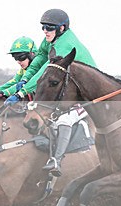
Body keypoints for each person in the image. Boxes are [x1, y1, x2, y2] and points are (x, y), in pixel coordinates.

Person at [14, 9, 96, 175]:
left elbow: (46, 72)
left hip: (88, 94)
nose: (45, 31)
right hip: (70, 89)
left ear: (61, 28)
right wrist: (25, 79)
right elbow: (39, 59)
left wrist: (23, 91)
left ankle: (56, 161)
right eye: (43, 27)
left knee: (64, 119)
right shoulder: (51, 39)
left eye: (49, 28)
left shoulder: (65, 45)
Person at [0, 37, 37, 103]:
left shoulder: (39, 67)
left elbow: (25, 86)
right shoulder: (23, 69)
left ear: (32, 54)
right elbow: (14, 82)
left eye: (21, 57)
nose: (18, 61)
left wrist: (1, 93)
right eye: (15, 58)